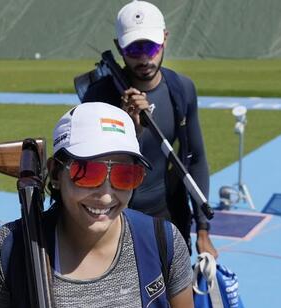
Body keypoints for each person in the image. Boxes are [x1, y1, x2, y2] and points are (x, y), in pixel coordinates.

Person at [0, 102, 193, 308]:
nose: (106, 195)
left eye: (125, 175)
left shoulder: (162, 241)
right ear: (56, 172)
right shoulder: (10, 248)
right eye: (88, 173)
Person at [82, 0, 217, 258]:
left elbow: (196, 160)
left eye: (151, 46)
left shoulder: (182, 89)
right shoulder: (98, 96)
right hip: (115, 222)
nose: (144, 57)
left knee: (175, 296)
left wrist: (202, 229)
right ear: (118, 47)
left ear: (165, 39)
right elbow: (91, 169)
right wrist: (128, 127)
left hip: (171, 220)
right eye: (134, 48)